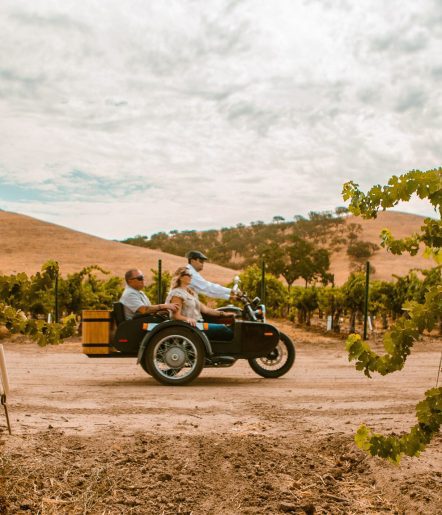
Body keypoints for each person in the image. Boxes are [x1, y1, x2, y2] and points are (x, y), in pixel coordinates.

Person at [166, 267, 235, 340]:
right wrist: (187, 319)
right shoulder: (177, 294)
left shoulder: (190, 292)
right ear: (180, 277)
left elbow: (206, 310)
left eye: (191, 274)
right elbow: (175, 316)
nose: (191, 276)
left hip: (199, 324)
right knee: (223, 329)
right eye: (188, 274)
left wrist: (224, 314)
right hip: (193, 327)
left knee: (227, 326)